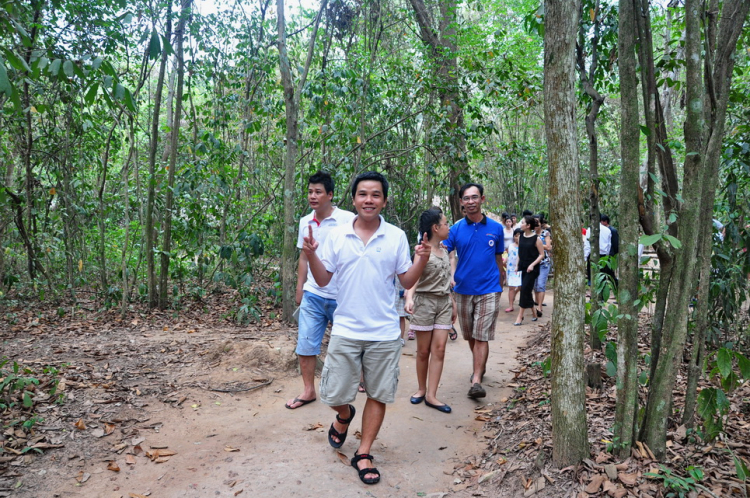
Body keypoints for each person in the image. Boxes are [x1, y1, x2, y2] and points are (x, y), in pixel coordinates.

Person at [302, 171, 431, 485]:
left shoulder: (396, 236)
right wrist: (310, 255)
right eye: (363, 194)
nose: (369, 200)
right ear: (354, 199)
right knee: (332, 392)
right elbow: (322, 280)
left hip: (384, 332)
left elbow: (406, 281)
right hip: (346, 327)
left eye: (375, 194)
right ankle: (344, 415)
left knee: (378, 394)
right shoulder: (337, 234)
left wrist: (422, 260)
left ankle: (364, 452)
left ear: (384, 200)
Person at [286, 171, 355, 410]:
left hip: (342, 295)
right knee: (305, 343)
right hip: (313, 294)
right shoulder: (305, 222)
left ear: (330, 195)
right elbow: (304, 257)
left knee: (350, 343)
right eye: (309, 191)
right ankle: (308, 390)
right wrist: (299, 288)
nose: (312, 196)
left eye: (318, 192)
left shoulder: (348, 219)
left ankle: (359, 380)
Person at [444, 183, 504, 400]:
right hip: (463, 290)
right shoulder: (456, 229)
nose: (470, 201)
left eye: (474, 197)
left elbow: (498, 257)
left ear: (482, 199)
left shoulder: (496, 228)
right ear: (461, 202)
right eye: (466, 198)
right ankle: (481, 366)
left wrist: (501, 277)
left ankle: (476, 379)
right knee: (470, 335)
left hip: (489, 288)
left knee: (481, 335)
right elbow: (442, 251)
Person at [404, 207, 456, 414]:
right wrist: (409, 298)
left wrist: (452, 303)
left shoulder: (445, 250)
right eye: (446, 223)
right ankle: (421, 389)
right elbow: (413, 279)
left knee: (440, 349)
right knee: (423, 351)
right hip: (424, 303)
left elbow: (445, 280)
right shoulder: (422, 251)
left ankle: (432, 396)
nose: (449, 227)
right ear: (436, 227)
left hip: (443, 303)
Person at [514, 215, 544, 325]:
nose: (520, 224)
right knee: (525, 290)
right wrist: (517, 265)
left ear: (528, 225)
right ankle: (534, 312)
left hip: (532, 269)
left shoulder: (537, 239)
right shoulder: (521, 236)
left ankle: (520, 316)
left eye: (522, 222)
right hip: (523, 266)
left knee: (525, 289)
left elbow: (542, 255)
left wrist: (532, 265)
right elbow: (519, 252)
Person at [533, 214, 552, 317]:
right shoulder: (530, 233)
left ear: (541, 223)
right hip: (533, 263)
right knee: (535, 285)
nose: (536, 224)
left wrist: (537, 244)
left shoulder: (546, 233)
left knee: (541, 284)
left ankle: (540, 307)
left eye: (537, 222)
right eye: (534, 222)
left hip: (544, 262)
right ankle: (537, 302)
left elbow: (548, 247)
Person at [505, 228, 522, 312]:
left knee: (521, 286)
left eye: (519, 236)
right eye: (515, 236)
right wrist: (504, 261)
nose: (517, 238)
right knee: (511, 288)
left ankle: (516, 294)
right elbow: (509, 255)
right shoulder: (510, 245)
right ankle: (511, 305)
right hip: (511, 268)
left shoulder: (524, 246)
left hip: (521, 268)